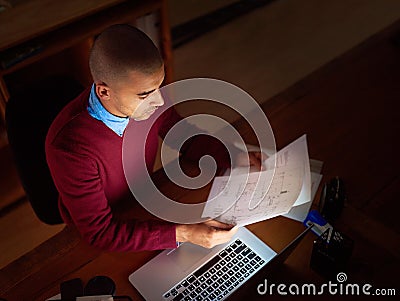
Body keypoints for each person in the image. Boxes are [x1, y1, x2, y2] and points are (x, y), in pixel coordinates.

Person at [46, 24, 263, 252]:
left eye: (159, 86)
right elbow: (100, 232)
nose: (159, 101)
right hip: (106, 229)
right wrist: (185, 233)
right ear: (104, 92)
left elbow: (183, 135)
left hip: (143, 202)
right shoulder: (69, 148)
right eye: (145, 95)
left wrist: (231, 156)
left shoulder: (147, 98)